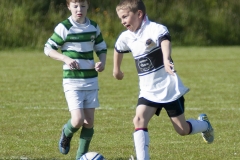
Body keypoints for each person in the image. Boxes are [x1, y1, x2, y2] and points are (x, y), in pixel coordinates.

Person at [113, 0, 214, 159]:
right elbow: (118, 48)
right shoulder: (126, 36)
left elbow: (165, 41)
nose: (122, 21)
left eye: (125, 16)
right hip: (147, 90)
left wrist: (166, 59)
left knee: (182, 130)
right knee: (139, 120)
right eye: (120, 18)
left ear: (139, 14)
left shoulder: (154, 28)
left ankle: (205, 125)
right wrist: (116, 69)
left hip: (168, 88)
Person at [44, 0, 107, 159]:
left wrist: (102, 63)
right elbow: (48, 48)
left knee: (89, 122)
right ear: (68, 6)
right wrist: (64, 58)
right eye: (76, 6)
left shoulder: (93, 26)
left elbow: (101, 48)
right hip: (72, 81)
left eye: (83, 6)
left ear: (88, 6)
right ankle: (66, 132)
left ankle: (81, 156)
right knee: (78, 120)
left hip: (91, 80)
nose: (80, 9)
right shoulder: (64, 27)